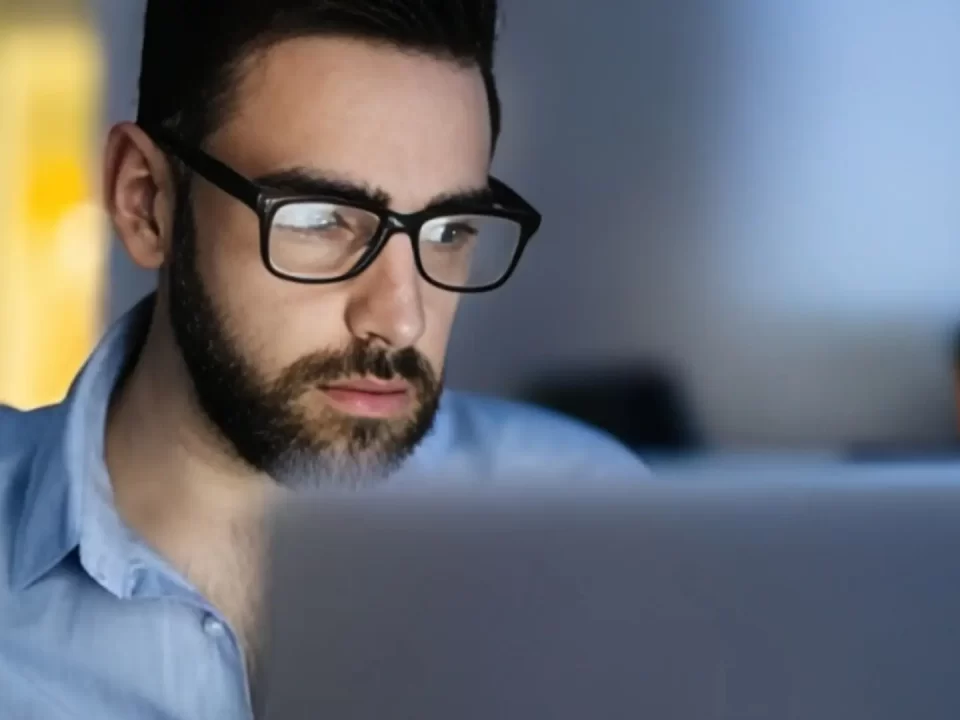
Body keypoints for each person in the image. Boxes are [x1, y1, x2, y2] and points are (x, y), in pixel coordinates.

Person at [0, 1, 645, 716]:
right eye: (318, 218)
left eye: (448, 230)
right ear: (145, 200)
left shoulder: (591, 519)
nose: (401, 318)